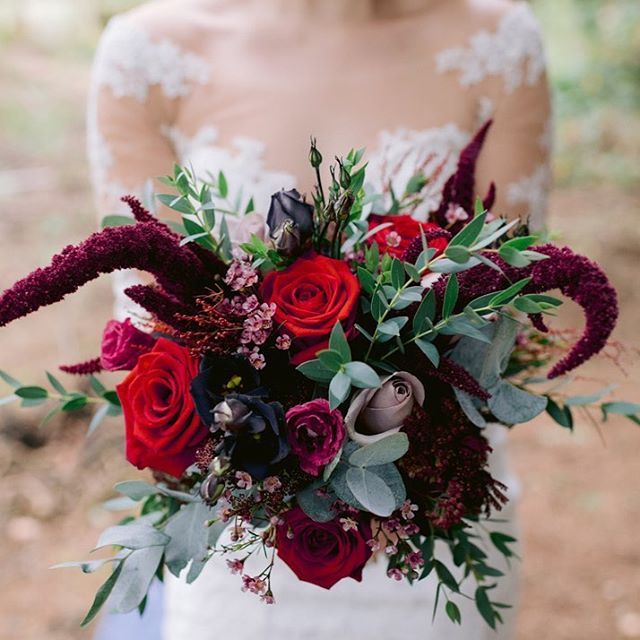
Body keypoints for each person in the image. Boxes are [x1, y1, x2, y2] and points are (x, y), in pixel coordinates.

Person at [88, 0, 552, 638]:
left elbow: (508, 313)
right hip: (243, 542)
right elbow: (150, 329)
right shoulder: (147, 56)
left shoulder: (498, 43)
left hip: (436, 536)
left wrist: (397, 446)